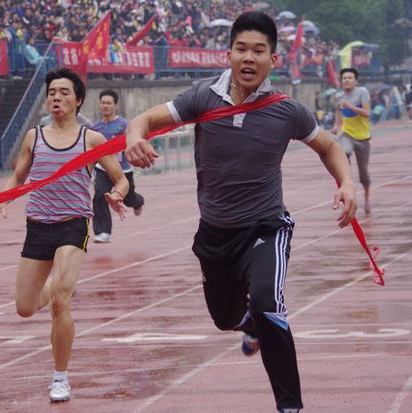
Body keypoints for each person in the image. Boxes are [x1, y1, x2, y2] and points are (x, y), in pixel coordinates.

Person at [125, 11, 357, 413]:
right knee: (223, 318)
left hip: (266, 227)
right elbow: (144, 119)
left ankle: (290, 406)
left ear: (273, 59)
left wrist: (346, 183)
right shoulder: (202, 97)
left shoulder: (288, 111)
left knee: (268, 302)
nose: (249, 58)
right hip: (215, 234)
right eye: (241, 49)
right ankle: (249, 324)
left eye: (259, 51)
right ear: (229, 54)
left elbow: (329, 147)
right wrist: (134, 136)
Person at [0, 67, 129, 403]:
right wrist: (3, 198)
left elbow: (120, 177)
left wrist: (117, 195)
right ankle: (60, 284)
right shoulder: (33, 137)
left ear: (78, 100)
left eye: (64, 92)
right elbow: (18, 178)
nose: (56, 97)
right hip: (38, 226)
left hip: (73, 224)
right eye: (52, 92)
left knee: (59, 303)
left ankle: (60, 378)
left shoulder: (91, 140)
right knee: (25, 307)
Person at [91, 89, 145, 243]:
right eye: (103, 103)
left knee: (128, 199)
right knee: (100, 195)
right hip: (103, 168)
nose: (105, 106)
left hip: (123, 169)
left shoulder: (124, 125)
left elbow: (132, 141)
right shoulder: (95, 128)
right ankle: (103, 232)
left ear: (115, 105)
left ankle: (138, 201)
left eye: (108, 103)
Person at [330, 68, 372, 213]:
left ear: (356, 80)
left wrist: (350, 106)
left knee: (363, 173)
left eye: (350, 78)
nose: (346, 80)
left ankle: (367, 197)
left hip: (362, 137)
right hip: (346, 133)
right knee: (344, 151)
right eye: (344, 78)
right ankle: (346, 178)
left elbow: (367, 113)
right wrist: (336, 126)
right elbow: (339, 112)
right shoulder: (339, 96)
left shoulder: (362, 92)